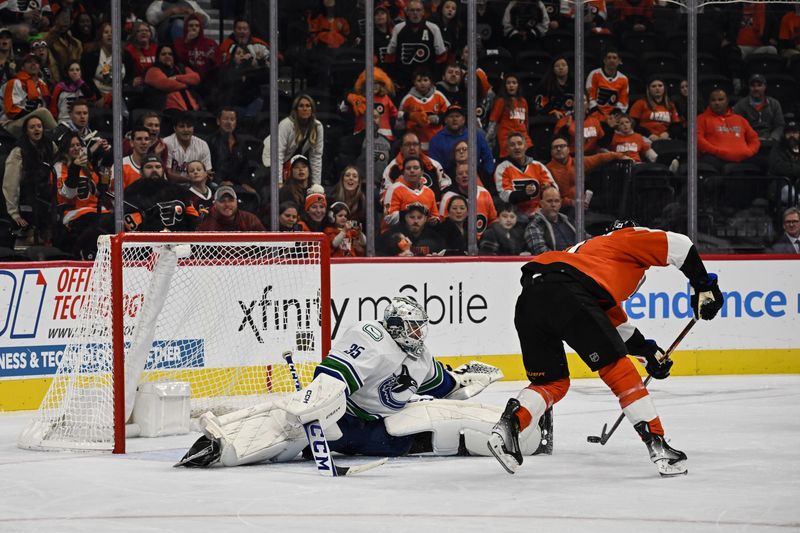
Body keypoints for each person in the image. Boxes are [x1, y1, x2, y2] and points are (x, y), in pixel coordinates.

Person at [487, 221, 724, 477]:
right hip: (566, 292)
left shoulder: (591, 256)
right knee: (618, 370)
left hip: (530, 298)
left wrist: (647, 352)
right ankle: (658, 445)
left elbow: (613, 324)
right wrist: (704, 285)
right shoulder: (627, 237)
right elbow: (680, 244)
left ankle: (510, 425)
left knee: (552, 383)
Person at [177, 295, 530, 468]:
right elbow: (333, 376)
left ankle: (522, 431)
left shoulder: (420, 358)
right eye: (412, 327)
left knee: (412, 434)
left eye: (421, 327)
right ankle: (223, 445)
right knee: (288, 423)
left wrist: (470, 378)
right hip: (342, 417)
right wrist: (314, 406)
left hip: (372, 430)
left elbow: (445, 386)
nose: (419, 333)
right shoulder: (372, 336)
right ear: (394, 326)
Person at [51, 131, 113, 259]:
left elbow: (100, 190)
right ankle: (86, 256)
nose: (76, 148)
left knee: (117, 221)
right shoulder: (59, 167)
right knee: (100, 224)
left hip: (95, 211)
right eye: (72, 145)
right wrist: (74, 169)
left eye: (78, 145)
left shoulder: (87, 165)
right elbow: (67, 195)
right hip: (74, 214)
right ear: (64, 148)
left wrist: (107, 165)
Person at [2, 114, 58, 242]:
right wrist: (14, 213)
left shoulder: (51, 146)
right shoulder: (18, 152)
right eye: (32, 127)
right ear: (26, 131)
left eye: (39, 126)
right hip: (27, 199)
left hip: (48, 197)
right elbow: (10, 185)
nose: (37, 129)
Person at [546, 135, 626, 218]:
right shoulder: (546, 170)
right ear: (551, 151)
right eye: (555, 147)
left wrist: (620, 156)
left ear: (568, 149)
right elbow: (549, 199)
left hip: (582, 207)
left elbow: (600, 158)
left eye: (562, 146)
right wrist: (572, 202)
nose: (558, 149)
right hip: (562, 209)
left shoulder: (579, 162)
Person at [123, 154, 200, 232]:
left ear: (163, 170)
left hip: (177, 240)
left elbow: (193, 217)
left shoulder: (178, 190)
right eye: (149, 167)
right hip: (144, 240)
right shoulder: (131, 191)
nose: (154, 170)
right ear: (141, 171)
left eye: (158, 167)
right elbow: (126, 221)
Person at [384, 0, 447, 91]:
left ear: (423, 12)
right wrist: (392, 78)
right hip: (403, 81)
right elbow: (390, 55)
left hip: (426, 81)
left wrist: (435, 79)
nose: (415, 13)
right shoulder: (398, 28)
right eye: (412, 10)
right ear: (407, 12)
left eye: (418, 10)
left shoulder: (434, 29)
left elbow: (441, 56)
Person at [262, 94, 324, 186]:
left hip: (290, 162)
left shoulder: (317, 127)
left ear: (312, 109)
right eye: (301, 106)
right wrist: (279, 182)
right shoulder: (286, 125)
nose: (305, 109)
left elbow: (316, 157)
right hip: (271, 158)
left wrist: (316, 185)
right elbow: (278, 154)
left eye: (308, 106)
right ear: (295, 110)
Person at [494, 132, 556, 220]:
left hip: (540, 213)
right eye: (512, 145)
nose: (517, 147)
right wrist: (526, 194)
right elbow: (505, 196)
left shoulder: (538, 166)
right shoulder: (502, 168)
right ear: (507, 149)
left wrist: (547, 188)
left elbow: (554, 189)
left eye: (520, 143)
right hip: (514, 216)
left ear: (526, 146)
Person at [697, 88, 760, 173]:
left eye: (720, 99)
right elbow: (698, 140)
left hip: (743, 158)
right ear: (709, 102)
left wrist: (749, 152)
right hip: (716, 158)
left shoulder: (740, 119)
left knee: (765, 163)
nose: (717, 103)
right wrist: (717, 151)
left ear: (727, 101)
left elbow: (754, 139)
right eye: (713, 100)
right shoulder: (701, 119)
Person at [428, 105, 494, 180]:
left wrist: (486, 176)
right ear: (445, 120)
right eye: (451, 116)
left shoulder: (476, 135)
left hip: (476, 177)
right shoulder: (436, 140)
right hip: (449, 180)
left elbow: (488, 158)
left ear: (463, 119)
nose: (454, 119)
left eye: (457, 116)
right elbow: (435, 166)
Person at [381, 132, 449, 201]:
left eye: (415, 144)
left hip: (432, 208)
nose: (412, 148)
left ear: (420, 147)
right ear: (401, 148)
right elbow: (384, 196)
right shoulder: (392, 169)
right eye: (408, 145)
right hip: (404, 209)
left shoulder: (434, 165)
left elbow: (446, 188)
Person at [396, 67, 449, 152]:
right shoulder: (408, 99)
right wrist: (410, 116)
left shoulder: (439, 96)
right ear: (414, 82)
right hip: (415, 143)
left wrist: (439, 119)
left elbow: (449, 113)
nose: (422, 83)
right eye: (419, 81)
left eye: (425, 80)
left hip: (437, 141)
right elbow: (398, 119)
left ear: (430, 82)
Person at [440, 161, 497, 239]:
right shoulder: (448, 197)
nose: (464, 176)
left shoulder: (485, 193)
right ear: (456, 179)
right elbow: (442, 225)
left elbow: (493, 221)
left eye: (468, 173)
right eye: (460, 174)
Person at [383, 155, 441, 230]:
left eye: (416, 168)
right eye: (408, 168)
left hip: (422, 234)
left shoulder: (429, 192)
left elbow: (435, 215)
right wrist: (410, 211)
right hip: (397, 232)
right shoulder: (394, 189)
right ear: (403, 172)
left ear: (422, 172)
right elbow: (388, 218)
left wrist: (434, 220)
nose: (412, 171)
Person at [486, 73, 533, 159]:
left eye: (514, 83)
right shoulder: (501, 101)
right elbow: (493, 122)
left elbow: (526, 124)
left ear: (518, 86)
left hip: (524, 138)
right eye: (508, 83)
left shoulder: (523, 101)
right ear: (505, 86)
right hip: (506, 140)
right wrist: (488, 142)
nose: (511, 85)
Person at [143, 44, 201, 112]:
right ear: (158, 57)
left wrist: (176, 77)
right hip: (169, 110)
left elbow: (196, 78)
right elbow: (166, 84)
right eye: (163, 54)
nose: (167, 56)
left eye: (170, 54)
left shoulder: (180, 67)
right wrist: (187, 84)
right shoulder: (152, 70)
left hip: (193, 109)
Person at [732, 74, 785, 144]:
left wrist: (773, 138)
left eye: (759, 85)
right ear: (749, 87)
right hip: (748, 142)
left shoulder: (774, 104)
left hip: (771, 141)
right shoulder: (740, 105)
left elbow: (779, 125)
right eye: (753, 86)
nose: (756, 88)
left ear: (765, 87)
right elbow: (736, 127)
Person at [524, 185, 577, 254]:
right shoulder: (534, 226)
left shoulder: (569, 221)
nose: (553, 205)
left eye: (557, 201)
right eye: (549, 201)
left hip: (576, 260)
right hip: (555, 263)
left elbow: (586, 240)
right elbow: (542, 253)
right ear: (541, 204)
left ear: (560, 203)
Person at [163, 112, 212, 184]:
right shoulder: (166, 143)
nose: (186, 130)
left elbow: (208, 172)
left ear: (193, 128)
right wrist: (192, 179)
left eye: (189, 126)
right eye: (181, 126)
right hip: (172, 186)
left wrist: (196, 179)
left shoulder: (202, 145)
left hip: (196, 185)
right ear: (175, 128)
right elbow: (168, 174)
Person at [380, 203, 445, 256]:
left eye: (419, 217)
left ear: (425, 219)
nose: (416, 221)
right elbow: (379, 254)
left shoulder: (434, 237)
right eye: (412, 217)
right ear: (405, 218)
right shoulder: (393, 234)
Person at [628, 77, 682, 142]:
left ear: (664, 88)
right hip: (645, 137)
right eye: (653, 86)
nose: (657, 88)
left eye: (660, 85)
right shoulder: (640, 103)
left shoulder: (670, 105)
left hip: (665, 138)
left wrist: (668, 133)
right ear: (649, 89)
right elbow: (632, 123)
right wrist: (649, 134)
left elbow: (676, 125)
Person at [173, 13, 218, 85]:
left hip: (207, 80)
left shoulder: (210, 43)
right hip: (187, 78)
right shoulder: (178, 43)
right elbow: (178, 62)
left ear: (201, 28)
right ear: (185, 28)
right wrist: (187, 42)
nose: (194, 28)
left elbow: (217, 63)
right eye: (191, 26)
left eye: (197, 26)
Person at [197, 185, 266, 232]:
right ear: (214, 204)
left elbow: (266, 246)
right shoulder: (206, 226)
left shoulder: (250, 220)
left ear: (236, 202)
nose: (227, 204)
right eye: (222, 201)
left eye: (231, 200)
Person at [586, 48, 629, 117]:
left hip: (614, 115)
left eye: (614, 58)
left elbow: (623, 102)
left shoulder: (624, 79)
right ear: (604, 60)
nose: (611, 60)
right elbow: (590, 97)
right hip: (595, 113)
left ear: (619, 61)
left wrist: (613, 116)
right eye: (609, 58)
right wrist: (600, 115)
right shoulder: (594, 74)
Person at [145, 0, 210, 45]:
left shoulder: (190, 3)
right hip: (167, 30)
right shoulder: (159, 2)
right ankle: (183, 49)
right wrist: (170, 12)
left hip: (189, 26)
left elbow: (207, 20)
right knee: (178, 24)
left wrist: (194, 14)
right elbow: (151, 19)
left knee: (192, 25)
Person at [533, 55, 574, 120]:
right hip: (550, 117)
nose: (561, 68)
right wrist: (551, 112)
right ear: (553, 69)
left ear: (568, 67)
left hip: (572, 118)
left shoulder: (576, 84)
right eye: (557, 66)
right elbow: (539, 106)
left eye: (563, 65)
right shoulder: (545, 85)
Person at [123, 20, 157, 88]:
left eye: (146, 30)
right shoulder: (129, 51)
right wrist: (131, 81)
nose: (144, 32)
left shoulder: (157, 48)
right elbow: (127, 74)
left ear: (151, 34)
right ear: (135, 34)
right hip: (139, 86)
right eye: (140, 31)